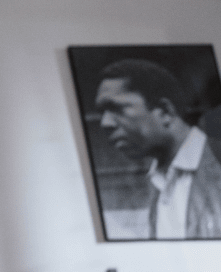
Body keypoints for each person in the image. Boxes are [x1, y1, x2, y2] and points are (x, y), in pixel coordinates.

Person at [94, 58, 221, 239]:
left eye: (116, 108)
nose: (105, 123)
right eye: (102, 113)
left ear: (164, 111)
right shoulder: (157, 181)